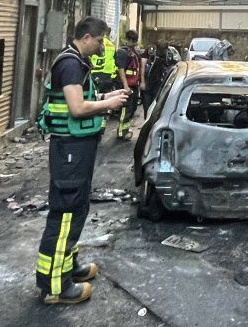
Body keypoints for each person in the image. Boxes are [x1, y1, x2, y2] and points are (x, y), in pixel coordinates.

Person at [35, 17, 129, 305]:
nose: (101, 47)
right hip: (70, 149)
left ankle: (68, 267)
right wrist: (108, 104)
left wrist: (105, 95)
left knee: (76, 208)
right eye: (100, 41)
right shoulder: (71, 64)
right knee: (65, 213)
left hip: (77, 148)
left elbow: (81, 98)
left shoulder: (75, 62)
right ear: (87, 37)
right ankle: (55, 286)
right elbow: (77, 108)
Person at [115, 29, 144, 139]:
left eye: (135, 40)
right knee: (125, 109)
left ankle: (125, 128)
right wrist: (125, 86)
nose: (134, 43)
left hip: (134, 85)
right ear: (128, 40)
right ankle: (122, 132)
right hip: (126, 85)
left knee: (131, 108)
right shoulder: (122, 52)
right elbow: (121, 69)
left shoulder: (134, 53)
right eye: (132, 40)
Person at [141, 41, 175, 117]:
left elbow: (170, 67)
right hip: (149, 84)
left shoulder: (167, 57)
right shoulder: (151, 56)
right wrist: (143, 82)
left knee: (155, 106)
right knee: (147, 106)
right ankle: (147, 121)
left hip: (158, 84)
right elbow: (144, 69)